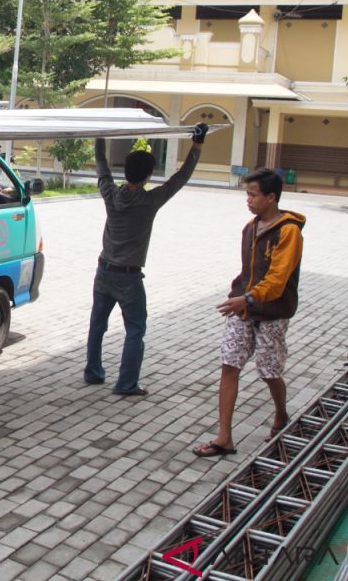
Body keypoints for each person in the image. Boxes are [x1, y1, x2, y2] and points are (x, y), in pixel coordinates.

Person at [84, 125, 207, 396]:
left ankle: (93, 372)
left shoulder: (110, 193)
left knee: (97, 324)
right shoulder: (151, 200)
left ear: (126, 171)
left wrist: (100, 134)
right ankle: (126, 383)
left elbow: (102, 165)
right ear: (149, 175)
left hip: (104, 270)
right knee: (135, 329)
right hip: (129, 276)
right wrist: (196, 146)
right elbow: (180, 178)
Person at [193, 168, 306, 458]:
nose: (249, 200)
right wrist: (239, 297)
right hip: (243, 308)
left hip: (271, 312)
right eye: (247, 194)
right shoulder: (250, 227)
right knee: (229, 366)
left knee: (270, 371)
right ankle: (224, 438)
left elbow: (278, 280)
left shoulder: (289, 231)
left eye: (253, 195)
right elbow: (249, 270)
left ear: (271, 197)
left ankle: (281, 413)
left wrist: (250, 298)